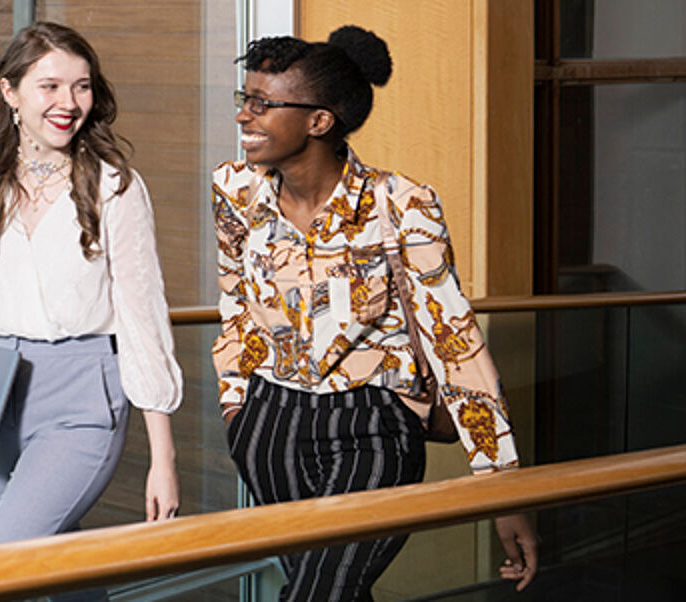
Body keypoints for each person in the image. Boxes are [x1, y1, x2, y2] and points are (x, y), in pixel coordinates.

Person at [211, 25, 539, 601]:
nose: (246, 117)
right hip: (268, 427)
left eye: (263, 104)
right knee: (333, 590)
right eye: (246, 99)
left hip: (372, 428)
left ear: (319, 121)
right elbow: (235, 302)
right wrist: (238, 405)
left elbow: (454, 341)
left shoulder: (401, 203)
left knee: (316, 596)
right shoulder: (235, 190)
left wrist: (502, 485)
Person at [0, 21, 184, 555]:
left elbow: (142, 315)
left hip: (81, 399)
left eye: (82, 86)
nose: (69, 102)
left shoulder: (115, 184)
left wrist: (164, 459)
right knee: (56, 557)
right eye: (51, 86)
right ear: (10, 93)